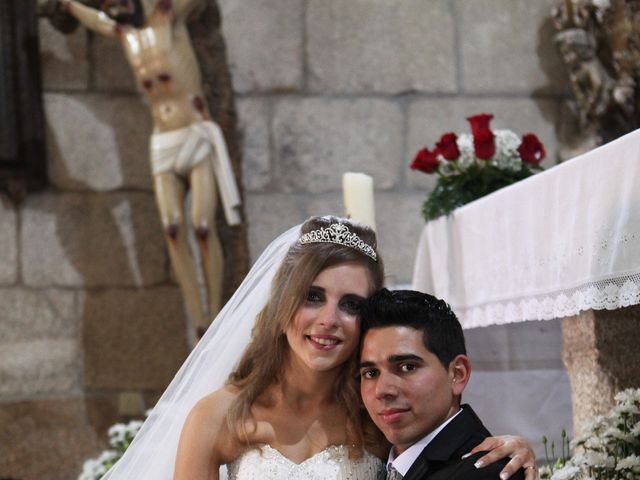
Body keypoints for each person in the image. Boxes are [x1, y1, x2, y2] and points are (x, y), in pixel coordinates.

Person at [102, 216, 536, 479]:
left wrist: (513, 447)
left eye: (350, 304)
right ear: (283, 302)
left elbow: (445, 451)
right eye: (313, 296)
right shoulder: (217, 416)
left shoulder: (378, 414)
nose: (328, 320)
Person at [55, 0, 242, 345]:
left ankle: (214, 313)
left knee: (202, 226)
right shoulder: (125, 34)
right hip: (163, 141)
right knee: (173, 228)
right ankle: (197, 319)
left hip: (195, 133)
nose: (115, 7)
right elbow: (95, 21)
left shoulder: (168, 18)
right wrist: (67, 5)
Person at [359, 289, 537, 480]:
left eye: (407, 367)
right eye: (371, 373)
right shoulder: (376, 460)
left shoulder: (489, 473)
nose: (383, 390)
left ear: (458, 374)